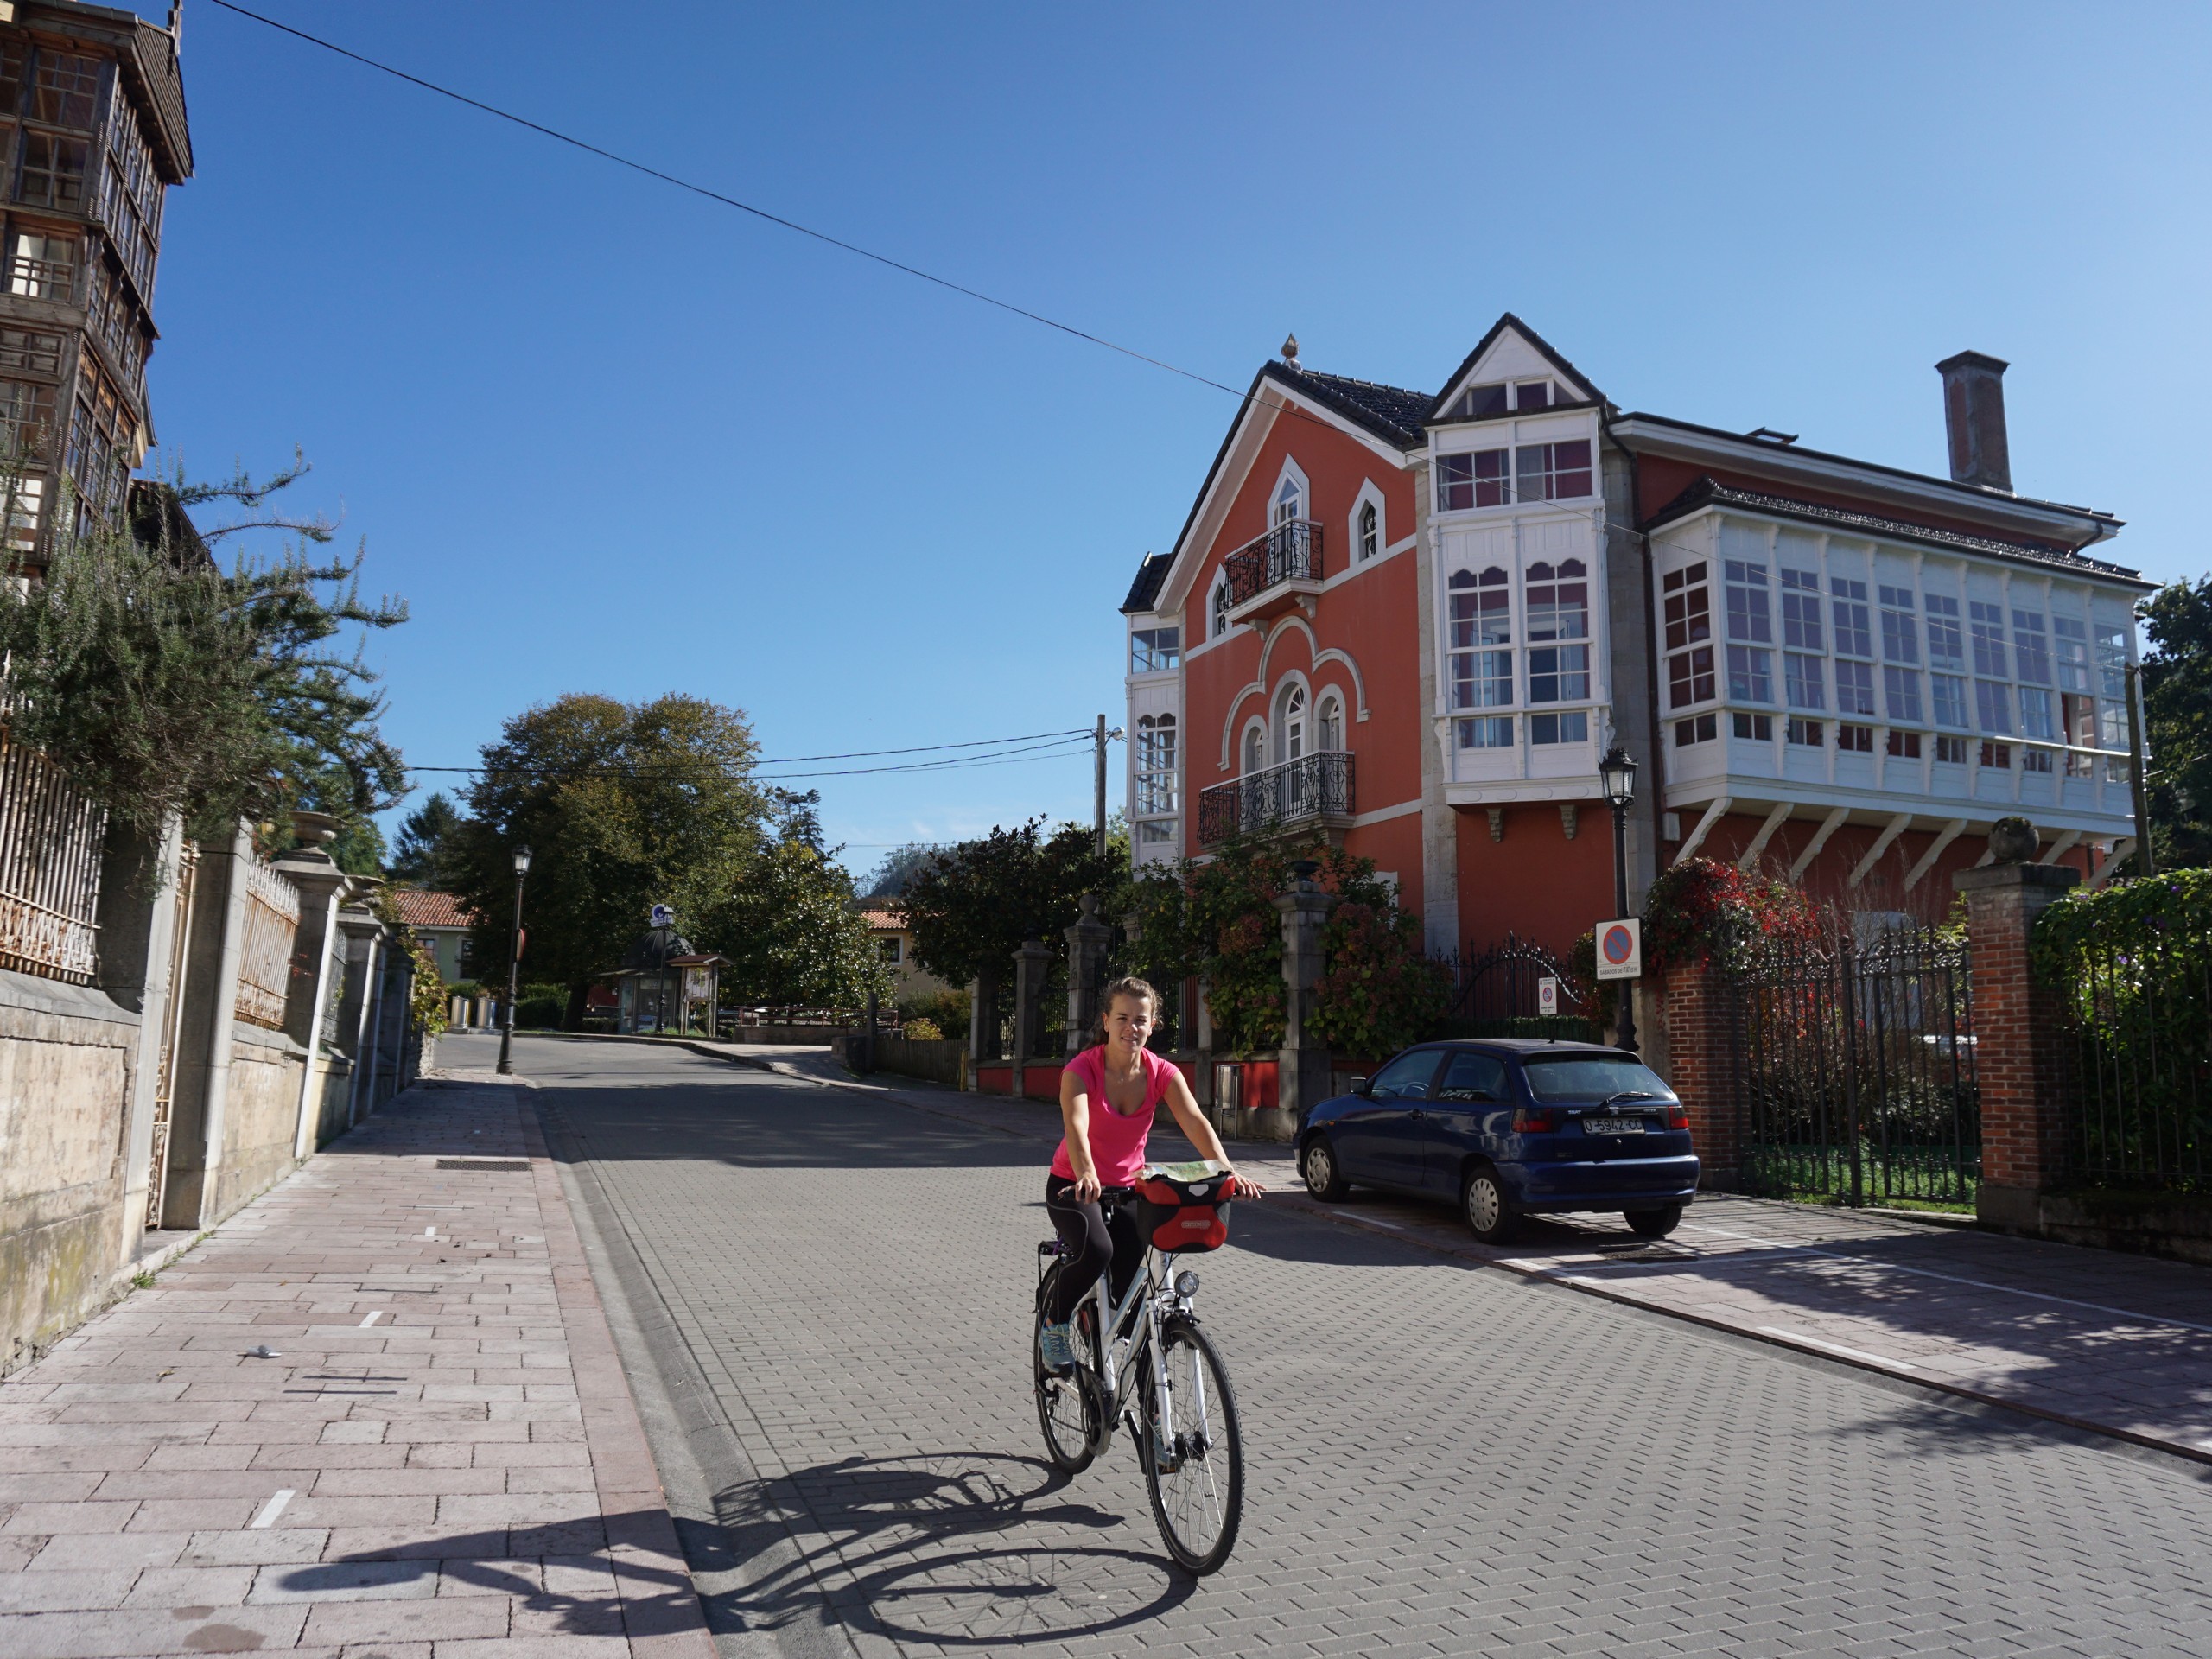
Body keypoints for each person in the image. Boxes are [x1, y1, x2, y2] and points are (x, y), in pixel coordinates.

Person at [1039, 975, 1262, 1369]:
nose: (1132, 1028)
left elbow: (1195, 1122)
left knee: (1136, 1289)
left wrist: (1227, 1173)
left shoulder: (1161, 1072)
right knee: (1098, 1250)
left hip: (1128, 1189)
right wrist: (1087, 1173)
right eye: (1122, 1018)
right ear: (1106, 1021)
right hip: (1074, 1185)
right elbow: (1075, 1126)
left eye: (1141, 1019)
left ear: (1153, 1024)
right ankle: (1054, 1325)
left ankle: (1150, 1410)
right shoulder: (1081, 1070)